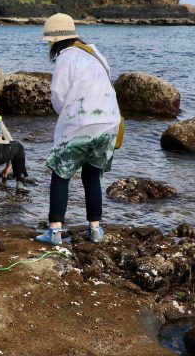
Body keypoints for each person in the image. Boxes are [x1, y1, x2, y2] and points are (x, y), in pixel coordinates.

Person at [35, 13, 121, 246]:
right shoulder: (95, 54)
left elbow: (59, 96)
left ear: (55, 42)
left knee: (61, 173)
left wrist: (65, 115)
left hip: (80, 123)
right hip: (109, 123)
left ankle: (54, 233)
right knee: (92, 176)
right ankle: (95, 230)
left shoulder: (66, 58)